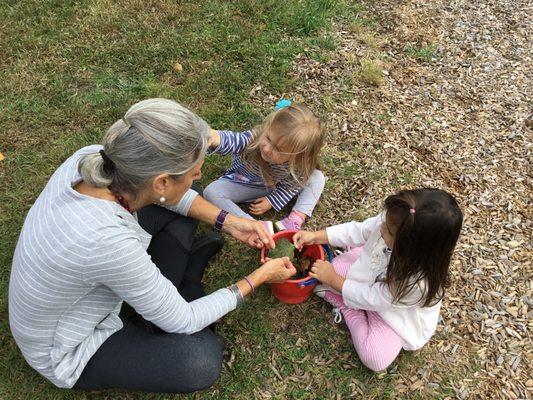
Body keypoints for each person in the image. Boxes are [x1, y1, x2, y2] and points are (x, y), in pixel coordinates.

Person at [8, 98, 296, 393]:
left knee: (190, 198)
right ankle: (183, 287)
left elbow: (176, 197)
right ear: (160, 182)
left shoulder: (94, 158)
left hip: (87, 277)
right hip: (67, 346)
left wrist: (229, 222)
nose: (199, 174)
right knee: (200, 360)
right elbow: (184, 320)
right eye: (194, 170)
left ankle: (165, 298)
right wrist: (259, 278)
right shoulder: (109, 243)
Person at [293, 188, 463, 371]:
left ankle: (350, 310)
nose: (382, 228)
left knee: (375, 357)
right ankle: (350, 285)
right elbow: (359, 230)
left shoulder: (417, 284)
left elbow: (376, 297)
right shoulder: (394, 222)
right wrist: (316, 236)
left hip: (392, 315)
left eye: (389, 231)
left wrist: (334, 280)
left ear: (413, 251)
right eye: (385, 222)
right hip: (372, 276)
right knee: (333, 266)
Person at [204, 102, 326, 234]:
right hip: (243, 182)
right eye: (268, 138)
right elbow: (235, 140)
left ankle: (295, 219)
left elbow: (290, 186)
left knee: (317, 177)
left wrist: (272, 200)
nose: (267, 149)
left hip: (275, 186)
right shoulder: (255, 138)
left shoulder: (298, 164)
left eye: (279, 150)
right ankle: (253, 226)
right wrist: (216, 137)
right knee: (212, 192)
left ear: (297, 156)